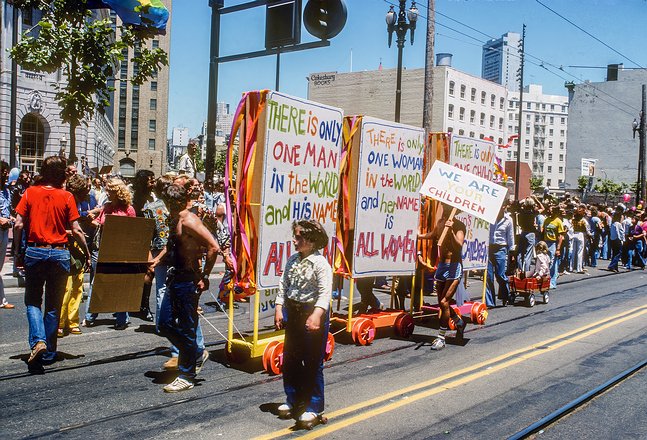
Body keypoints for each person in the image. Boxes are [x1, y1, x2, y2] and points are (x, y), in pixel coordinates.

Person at [14, 156, 90, 373]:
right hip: (59, 254)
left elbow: (18, 224)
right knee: (54, 305)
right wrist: (86, 252)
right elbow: (76, 229)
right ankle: (48, 353)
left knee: (32, 301)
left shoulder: (30, 193)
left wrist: (18, 250)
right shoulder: (66, 197)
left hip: (35, 251)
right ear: (62, 174)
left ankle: (38, 341)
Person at [158, 184, 221, 393]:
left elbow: (214, 247)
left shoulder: (190, 221)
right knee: (164, 323)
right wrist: (156, 260)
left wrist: (205, 276)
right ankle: (194, 352)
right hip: (176, 278)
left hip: (188, 281)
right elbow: (172, 245)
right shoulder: (176, 219)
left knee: (187, 327)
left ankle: (187, 375)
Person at [274, 220, 331, 428]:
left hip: (313, 314)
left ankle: (314, 407)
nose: (294, 240)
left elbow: (325, 294)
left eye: (299, 237)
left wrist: (316, 315)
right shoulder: (292, 260)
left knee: (313, 362)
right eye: (295, 236)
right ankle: (294, 399)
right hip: (294, 313)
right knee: (291, 359)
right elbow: (283, 285)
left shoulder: (321, 264)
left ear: (312, 241)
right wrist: (280, 308)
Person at [83, 178, 136, 329]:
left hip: (120, 250)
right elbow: (99, 224)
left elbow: (133, 231)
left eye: (110, 191)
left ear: (118, 192)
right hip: (102, 248)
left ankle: (121, 319)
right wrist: (91, 220)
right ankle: (89, 316)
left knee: (120, 284)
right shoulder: (106, 207)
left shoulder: (129, 209)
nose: (108, 193)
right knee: (96, 283)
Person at [418, 203, 466, 350]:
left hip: (454, 266)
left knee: (445, 301)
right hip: (442, 266)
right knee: (441, 302)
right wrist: (419, 236)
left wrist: (450, 230)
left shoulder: (459, 226)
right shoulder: (440, 222)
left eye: (449, 208)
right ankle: (459, 321)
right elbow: (433, 235)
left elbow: (459, 245)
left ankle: (441, 337)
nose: (446, 209)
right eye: (445, 207)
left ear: (455, 211)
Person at [58, 174, 92, 336]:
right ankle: (60, 321)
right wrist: (87, 252)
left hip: (75, 246)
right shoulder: (63, 200)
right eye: (84, 192)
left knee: (77, 285)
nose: (87, 195)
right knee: (66, 286)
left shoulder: (77, 203)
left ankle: (72, 320)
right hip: (64, 246)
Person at [485, 203, 514, 307]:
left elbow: (510, 237)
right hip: (489, 247)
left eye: (502, 205)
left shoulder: (508, 220)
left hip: (501, 248)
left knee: (500, 275)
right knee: (488, 276)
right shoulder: (489, 217)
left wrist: (511, 252)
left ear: (505, 206)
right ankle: (490, 302)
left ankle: (505, 296)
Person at [0, 162, 15, 309]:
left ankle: (2, 300)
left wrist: (10, 217)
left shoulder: (6, 190)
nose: (6, 174)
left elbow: (6, 209)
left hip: (4, 230)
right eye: (4, 171)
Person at [544, 205, 566, 289]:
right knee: (546, 262)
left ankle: (552, 282)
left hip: (553, 243)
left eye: (551, 210)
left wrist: (558, 248)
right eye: (549, 210)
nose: (550, 212)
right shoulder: (546, 220)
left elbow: (561, 236)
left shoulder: (558, 221)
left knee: (553, 263)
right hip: (546, 243)